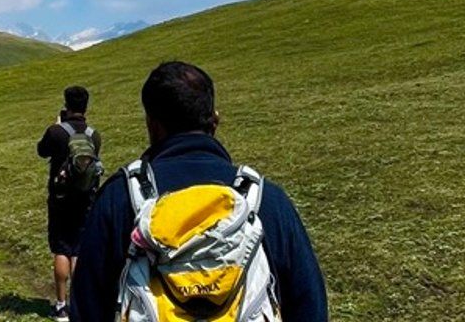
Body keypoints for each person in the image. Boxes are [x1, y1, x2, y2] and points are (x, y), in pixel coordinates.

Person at [69, 61, 327, 321]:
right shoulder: (266, 201)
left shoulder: (120, 198)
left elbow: (87, 308)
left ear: (152, 124)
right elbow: (310, 307)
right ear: (215, 120)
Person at [37, 85, 103, 321]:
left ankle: (61, 306)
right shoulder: (94, 135)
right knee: (78, 249)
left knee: (61, 249)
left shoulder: (56, 132)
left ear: (66, 104)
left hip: (60, 200)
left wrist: (56, 124)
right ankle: (78, 301)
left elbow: (41, 151)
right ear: (86, 106)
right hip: (86, 199)